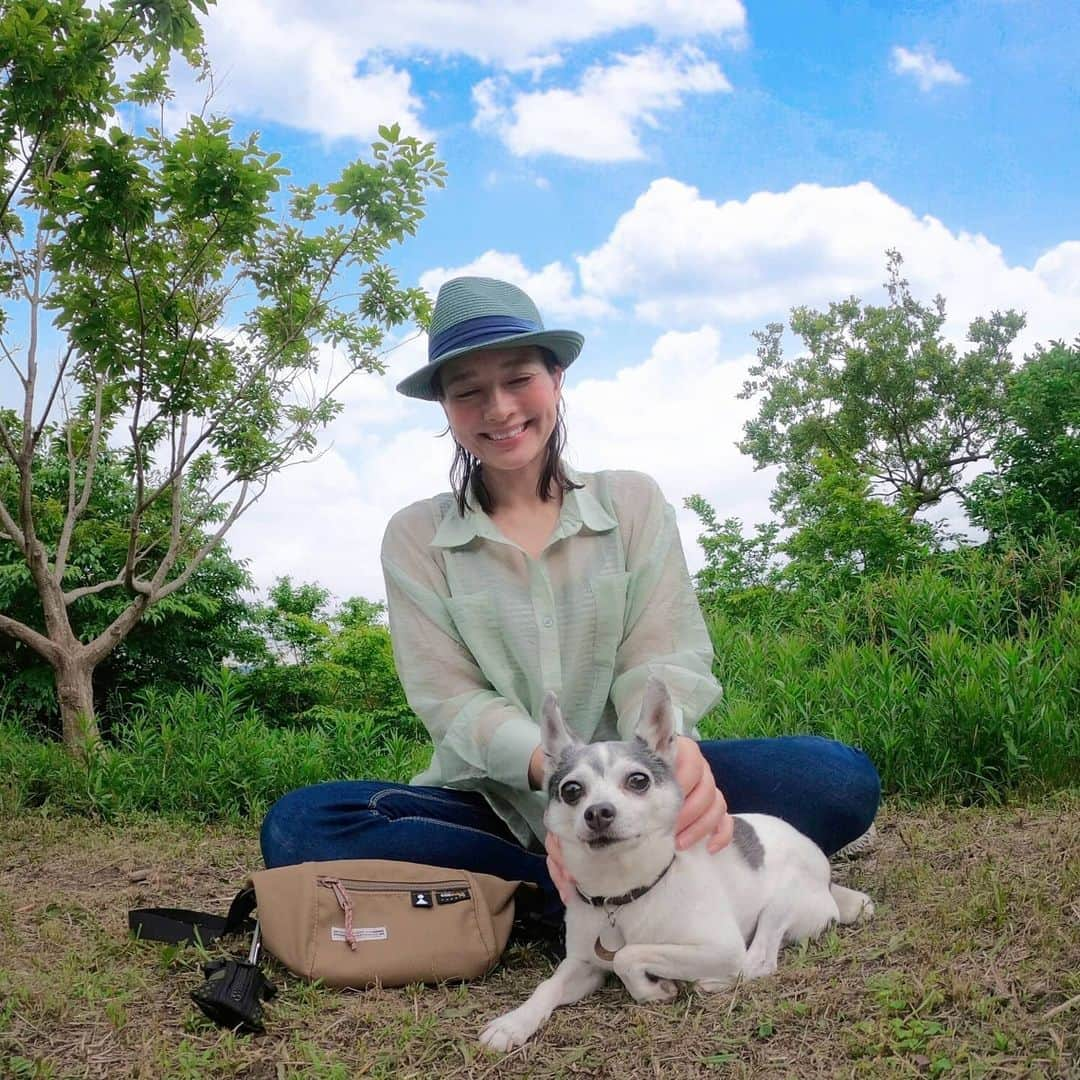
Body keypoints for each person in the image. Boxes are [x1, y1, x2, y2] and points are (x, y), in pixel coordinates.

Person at [260, 276, 880, 935]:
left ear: (556, 378)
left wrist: (674, 756)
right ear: (445, 407)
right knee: (302, 827)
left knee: (837, 778)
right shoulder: (416, 537)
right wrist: (561, 782)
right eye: (467, 390)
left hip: (636, 790)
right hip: (493, 808)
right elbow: (454, 704)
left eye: (518, 378)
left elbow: (661, 654)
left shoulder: (631, 502)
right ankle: (596, 893)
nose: (498, 409)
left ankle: (551, 903)